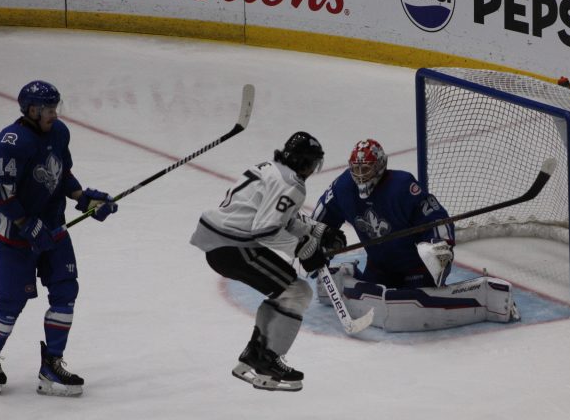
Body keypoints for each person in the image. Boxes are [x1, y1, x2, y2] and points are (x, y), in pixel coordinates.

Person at [189, 132, 344, 392]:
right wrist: (303, 250)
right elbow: (266, 230)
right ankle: (269, 361)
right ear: (306, 162)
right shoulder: (292, 184)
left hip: (222, 243)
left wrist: (317, 230)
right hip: (234, 246)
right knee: (298, 292)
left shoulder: (270, 168)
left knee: (284, 293)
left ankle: (256, 353)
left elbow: (278, 217)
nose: (312, 170)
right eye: (313, 164)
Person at [312, 139, 519, 333]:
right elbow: (321, 216)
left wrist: (440, 247)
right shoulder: (343, 187)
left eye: (366, 169)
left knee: (411, 302)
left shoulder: (401, 186)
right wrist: (314, 241)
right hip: (379, 265)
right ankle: (348, 272)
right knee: (373, 294)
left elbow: (436, 217)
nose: (360, 176)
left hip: (415, 268)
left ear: (380, 166)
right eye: (356, 169)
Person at [0, 80, 118, 396]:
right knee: (11, 302)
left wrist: (84, 198)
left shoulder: (59, 133)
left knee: (66, 290)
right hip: (15, 238)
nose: (54, 113)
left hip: (54, 230)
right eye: (48, 109)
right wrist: (26, 224)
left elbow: (61, 174)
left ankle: (52, 364)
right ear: (31, 110)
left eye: (55, 107)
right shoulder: (10, 143)